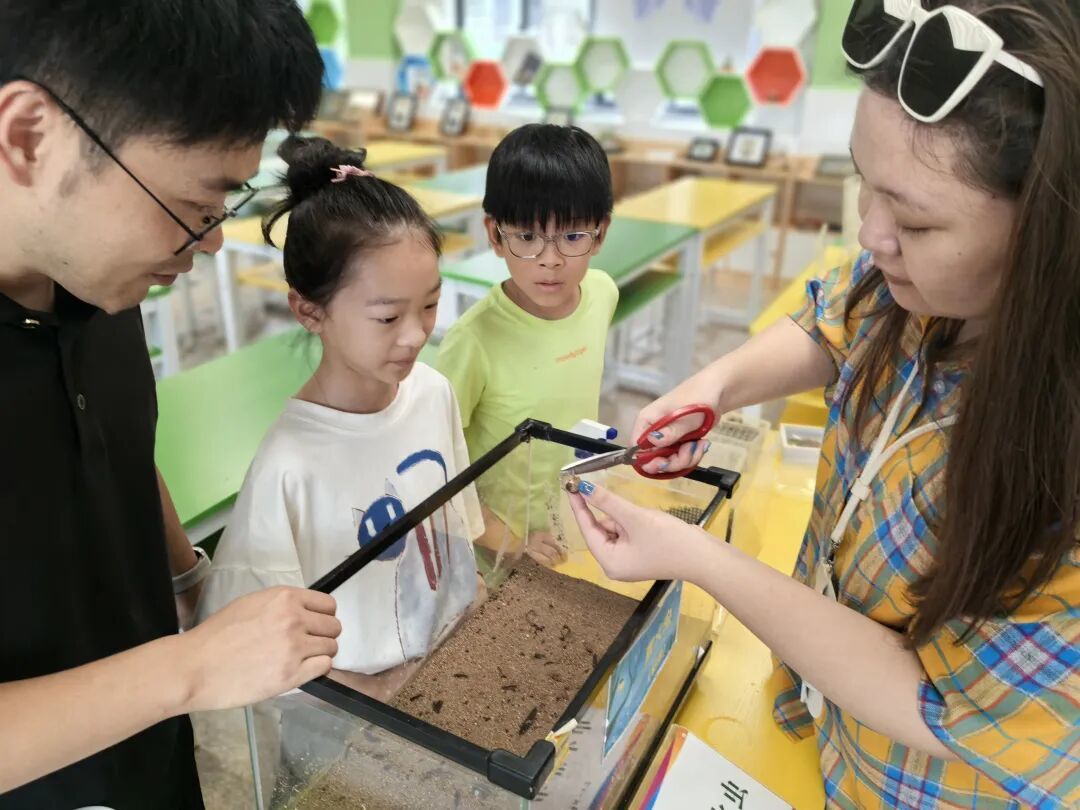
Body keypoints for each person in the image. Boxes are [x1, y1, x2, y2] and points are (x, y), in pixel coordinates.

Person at [568, 1, 1079, 807]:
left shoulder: (1058, 458)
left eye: (913, 218)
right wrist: (719, 386)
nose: (871, 233)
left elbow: (948, 705)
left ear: (1049, 231)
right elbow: (837, 315)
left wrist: (695, 556)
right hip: (816, 722)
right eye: (860, 182)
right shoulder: (917, 286)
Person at [0, 3, 343, 806]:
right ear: (29, 137)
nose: (211, 241)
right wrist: (191, 668)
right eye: (195, 206)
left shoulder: (95, 280)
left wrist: (190, 581)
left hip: (152, 754)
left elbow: (114, 445)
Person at [196, 136, 484, 699]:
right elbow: (251, 645)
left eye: (430, 304)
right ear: (309, 309)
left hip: (448, 674)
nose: (416, 334)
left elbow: (457, 540)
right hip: (352, 716)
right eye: (386, 317)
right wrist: (366, 695)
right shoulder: (288, 466)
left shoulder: (432, 392)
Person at [436, 124, 618, 568]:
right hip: (499, 558)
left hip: (573, 529)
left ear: (601, 234)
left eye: (573, 236)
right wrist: (510, 543)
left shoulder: (602, 293)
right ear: (495, 236)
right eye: (527, 237)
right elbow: (431, 472)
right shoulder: (473, 341)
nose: (550, 259)